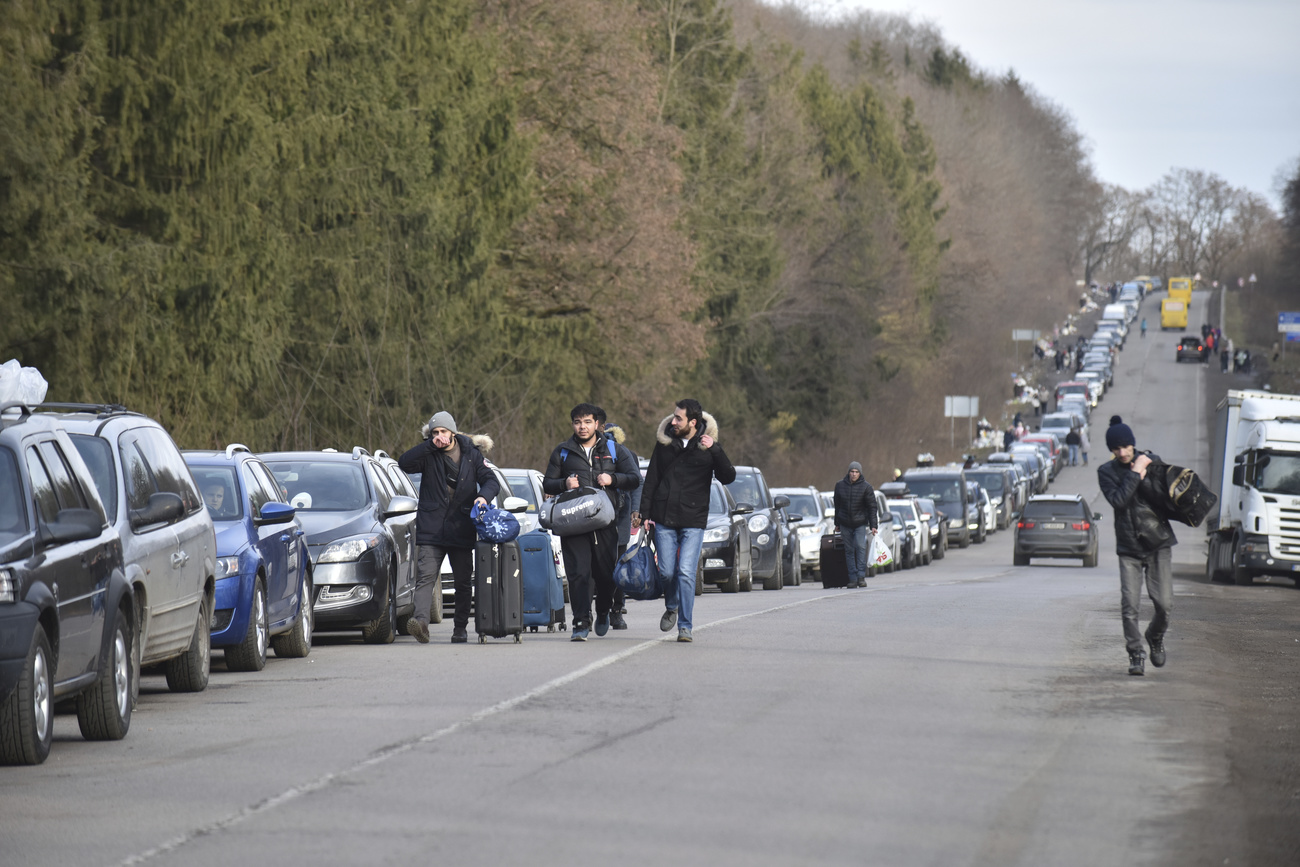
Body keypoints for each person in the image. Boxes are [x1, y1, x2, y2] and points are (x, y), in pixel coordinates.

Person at [635, 398, 736, 643]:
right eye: (673, 416)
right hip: (664, 518)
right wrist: (644, 514)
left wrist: (715, 448)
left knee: (686, 573)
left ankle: (685, 626)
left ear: (693, 422)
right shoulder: (665, 444)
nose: (673, 421)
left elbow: (728, 476)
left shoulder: (707, 446)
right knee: (667, 572)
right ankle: (672, 606)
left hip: (693, 519)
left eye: (679, 418)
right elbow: (652, 480)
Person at [543, 403, 641, 641]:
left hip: (605, 522)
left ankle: (603, 611)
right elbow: (547, 483)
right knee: (578, 574)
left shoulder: (614, 449)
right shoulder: (563, 451)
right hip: (573, 522)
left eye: (587, 422)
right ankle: (580, 622)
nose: (582, 427)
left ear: (597, 424)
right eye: (577, 422)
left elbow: (635, 479)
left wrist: (613, 478)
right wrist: (564, 484)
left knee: (606, 575)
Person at [398, 412, 499, 644]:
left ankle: (460, 628)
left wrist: (483, 497)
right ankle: (421, 623)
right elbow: (404, 463)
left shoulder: (472, 455)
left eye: (443, 431)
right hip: (431, 528)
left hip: (461, 526)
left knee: (463, 581)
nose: (439, 436)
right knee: (425, 578)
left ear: (453, 432)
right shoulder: (428, 454)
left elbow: (491, 480)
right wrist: (428, 446)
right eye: (434, 432)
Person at [1097, 416, 1177, 676]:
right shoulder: (1106, 472)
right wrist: (1134, 472)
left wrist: (1146, 467)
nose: (1122, 452)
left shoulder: (1153, 462)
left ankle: (1154, 636)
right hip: (1129, 547)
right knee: (1129, 605)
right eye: (1116, 448)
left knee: (1164, 604)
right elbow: (1119, 501)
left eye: (1125, 447)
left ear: (1133, 444)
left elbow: (1165, 497)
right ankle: (1136, 653)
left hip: (1158, 543)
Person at [602, 420, 641, 630]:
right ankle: (615, 612)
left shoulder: (626, 455)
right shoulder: (592, 453)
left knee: (605, 566)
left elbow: (636, 483)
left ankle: (607, 611)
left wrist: (636, 508)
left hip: (614, 517)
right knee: (618, 565)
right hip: (616, 518)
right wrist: (635, 509)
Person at [833, 461, 878, 589]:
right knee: (849, 550)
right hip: (845, 523)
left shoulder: (866, 487)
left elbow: (872, 507)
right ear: (848, 472)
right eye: (852, 472)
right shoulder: (840, 486)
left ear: (860, 473)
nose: (854, 474)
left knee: (860, 547)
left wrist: (873, 525)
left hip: (859, 523)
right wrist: (837, 523)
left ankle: (861, 576)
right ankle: (852, 578)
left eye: (856, 472)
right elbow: (837, 506)